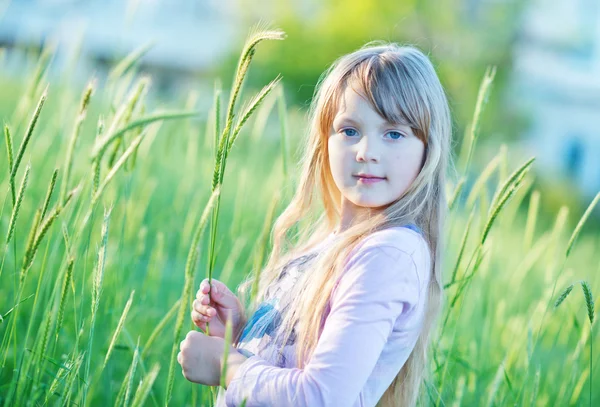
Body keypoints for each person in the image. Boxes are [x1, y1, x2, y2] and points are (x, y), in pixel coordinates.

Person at [181, 40, 453, 407]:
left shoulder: (389, 254)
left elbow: (323, 396)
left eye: (393, 133)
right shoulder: (332, 243)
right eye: (350, 130)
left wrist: (225, 366)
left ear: (427, 149)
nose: (366, 152)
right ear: (324, 141)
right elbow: (297, 363)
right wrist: (244, 333)